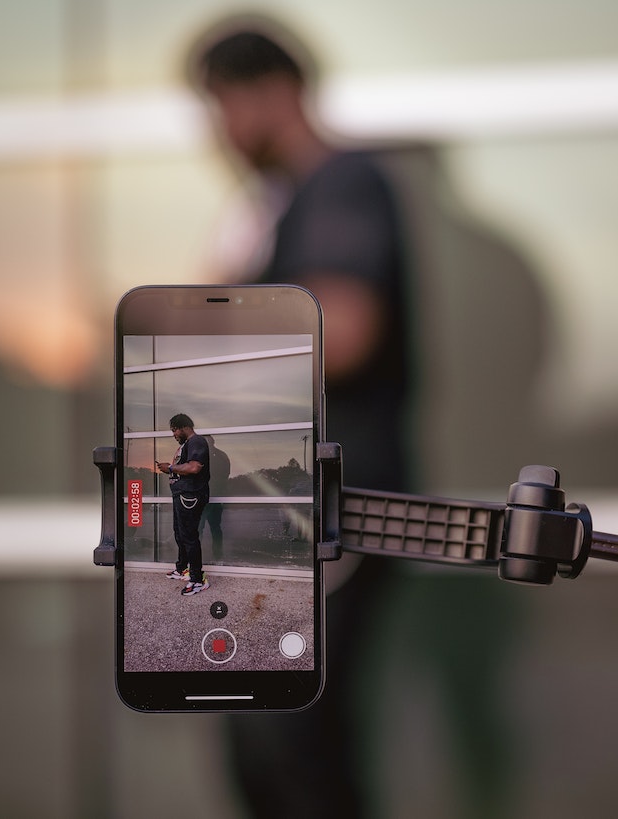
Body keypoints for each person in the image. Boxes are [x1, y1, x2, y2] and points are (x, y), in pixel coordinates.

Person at [185, 18, 412, 819]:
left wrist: (208, 341)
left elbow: (342, 327)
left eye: (219, 106)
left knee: (292, 740)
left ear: (269, 92)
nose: (218, 132)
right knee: (267, 735)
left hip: (326, 511)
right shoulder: (286, 205)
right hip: (286, 510)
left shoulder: (343, 183)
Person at [157, 412, 211, 596]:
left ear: (182, 427)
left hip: (190, 496)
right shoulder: (188, 444)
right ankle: (182, 569)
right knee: (180, 533)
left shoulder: (197, 441)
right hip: (182, 495)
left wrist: (170, 468)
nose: (173, 435)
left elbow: (194, 467)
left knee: (189, 536)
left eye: (174, 430)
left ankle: (198, 579)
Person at [199, 435, 231, 561]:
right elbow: (225, 475)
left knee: (201, 527)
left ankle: (199, 556)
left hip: (208, 496)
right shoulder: (222, 455)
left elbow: (221, 476)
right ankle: (217, 554)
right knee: (215, 528)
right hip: (215, 495)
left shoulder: (211, 456)